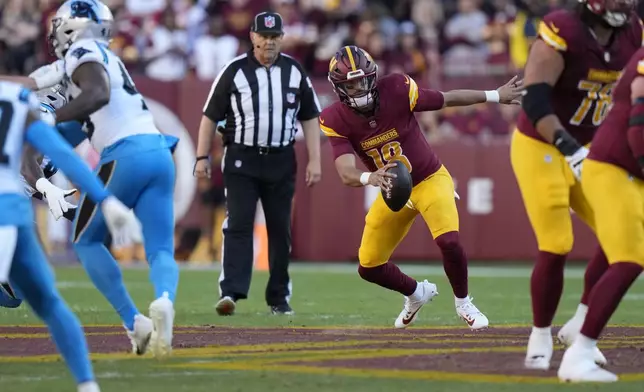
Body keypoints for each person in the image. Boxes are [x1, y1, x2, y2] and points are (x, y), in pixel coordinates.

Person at [320, 45, 522, 330]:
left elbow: (446, 99)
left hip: (429, 178)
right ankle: (416, 294)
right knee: (369, 266)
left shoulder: (397, 88)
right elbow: (345, 171)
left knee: (449, 241)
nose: (359, 88)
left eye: (363, 80)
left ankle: (464, 303)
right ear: (339, 88)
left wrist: (495, 95)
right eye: (351, 84)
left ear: (373, 76)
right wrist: (372, 178)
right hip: (393, 191)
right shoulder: (334, 118)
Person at [36, 0, 180, 358]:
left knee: (85, 242)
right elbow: (75, 126)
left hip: (126, 155)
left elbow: (95, 96)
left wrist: (47, 121)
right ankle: (164, 300)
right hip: (160, 152)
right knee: (160, 248)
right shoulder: (108, 59)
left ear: (74, 27)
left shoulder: (82, 51)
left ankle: (134, 321)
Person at [515, 0, 641, 370]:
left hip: (592, 146)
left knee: (621, 231)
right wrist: (568, 147)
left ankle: (580, 322)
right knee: (557, 243)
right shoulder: (563, 30)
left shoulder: (634, 33)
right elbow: (535, 100)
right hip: (541, 145)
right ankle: (539, 335)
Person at [0, 79, 137, 392]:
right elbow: (52, 158)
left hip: (11, 205)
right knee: (47, 301)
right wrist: (103, 198)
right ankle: (87, 385)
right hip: (11, 210)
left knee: (18, 295)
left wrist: (49, 193)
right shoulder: (32, 103)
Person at [193, 12, 322, 316]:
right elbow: (210, 115)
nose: (268, 42)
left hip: (281, 157)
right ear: (252, 37)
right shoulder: (234, 70)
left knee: (280, 230)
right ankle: (231, 293)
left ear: (282, 38)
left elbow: (310, 116)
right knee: (238, 223)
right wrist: (201, 156)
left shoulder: (294, 71)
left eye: (274, 36)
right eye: (263, 36)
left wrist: (315, 160)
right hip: (241, 157)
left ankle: (279, 297)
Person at [558, 45, 644, 383]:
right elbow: (639, 121)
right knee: (630, 256)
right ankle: (578, 356)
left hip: (628, 169)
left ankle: (580, 324)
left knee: (614, 252)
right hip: (616, 165)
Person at [0, 84, 87, 309]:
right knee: (34, 285)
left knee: (17, 293)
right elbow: (27, 167)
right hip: (7, 201)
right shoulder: (49, 114)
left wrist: (71, 211)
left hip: (12, 199)